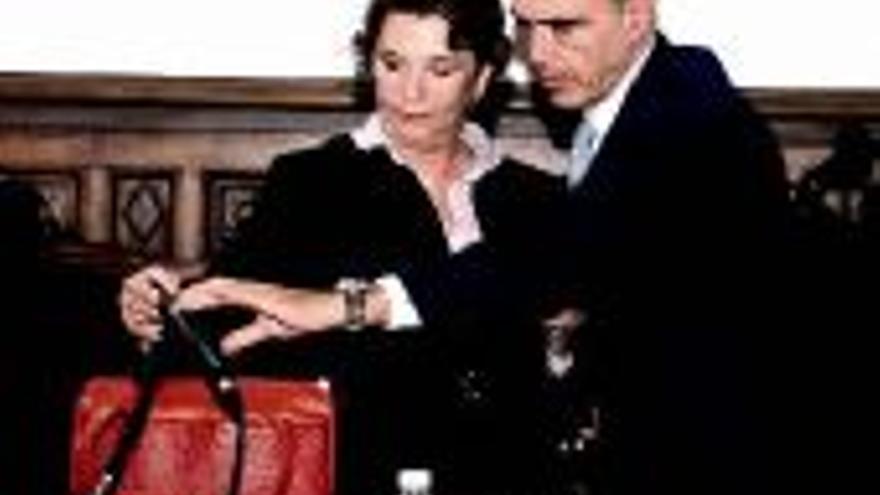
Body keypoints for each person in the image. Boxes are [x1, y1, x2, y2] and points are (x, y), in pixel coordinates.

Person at [119, 0, 558, 493]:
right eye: (392, 64)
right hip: (357, 474)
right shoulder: (310, 182)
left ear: (480, 80)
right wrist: (157, 311)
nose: (410, 92)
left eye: (440, 70)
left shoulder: (539, 198)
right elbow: (223, 312)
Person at [510, 0, 791, 494]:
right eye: (525, 26)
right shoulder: (630, 105)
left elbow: (567, 257)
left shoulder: (691, 115)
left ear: (636, 19)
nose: (536, 52)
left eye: (564, 26)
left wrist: (379, 300)